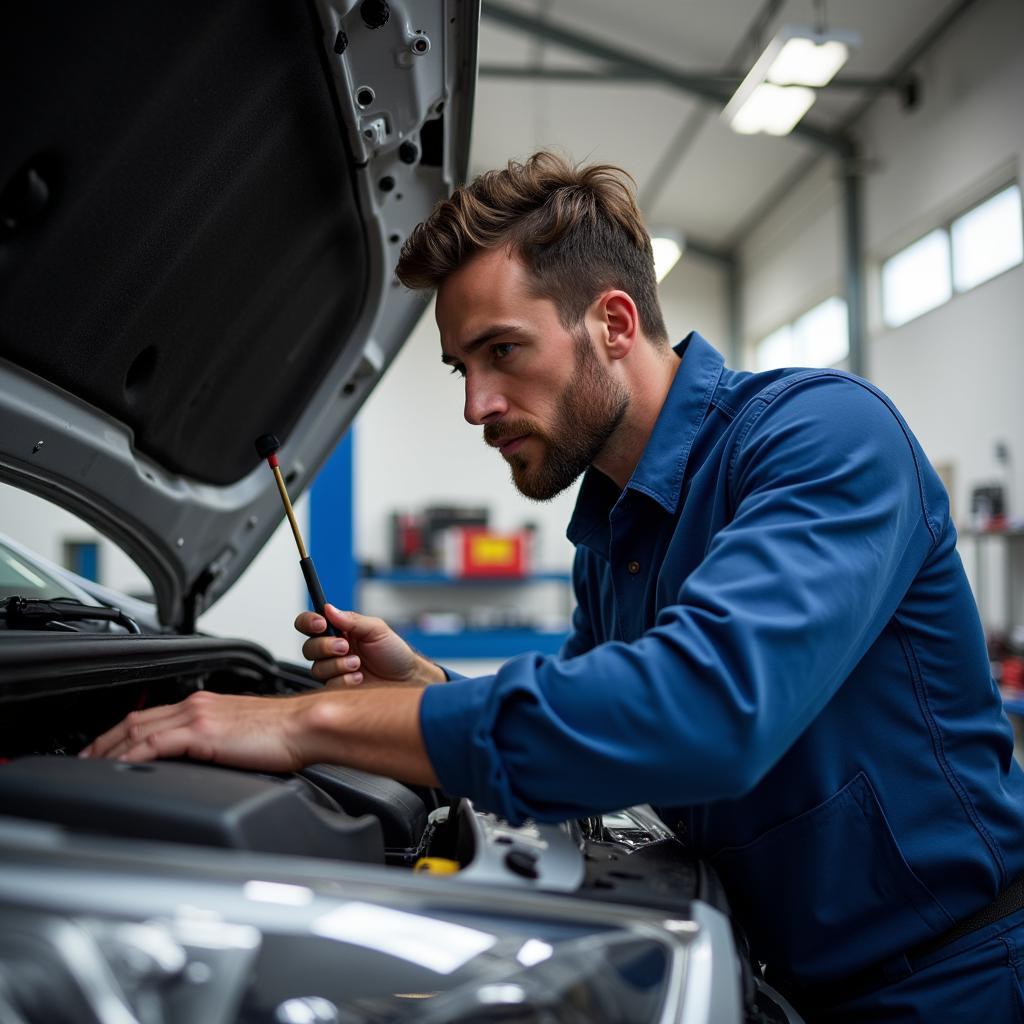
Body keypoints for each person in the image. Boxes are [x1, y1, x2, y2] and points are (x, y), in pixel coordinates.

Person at [83, 152, 1024, 1021]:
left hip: (961, 977)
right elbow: (594, 731)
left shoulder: (821, 437)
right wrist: (423, 691)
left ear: (613, 323)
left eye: (503, 352)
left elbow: (703, 711)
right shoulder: (610, 533)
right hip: (789, 983)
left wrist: (299, 723)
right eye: (462, 368)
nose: (474, 405)